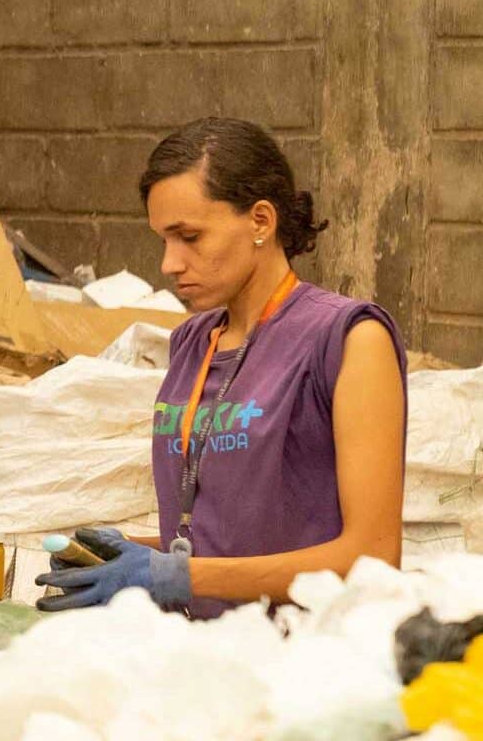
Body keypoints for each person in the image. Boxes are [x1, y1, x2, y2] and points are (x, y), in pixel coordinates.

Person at [37, 117, 406, 619]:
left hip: (306, 666)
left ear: (260, 221)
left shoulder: (349, 340)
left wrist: (176, 575)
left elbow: (372, 558)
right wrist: (129, 552)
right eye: (163, 240)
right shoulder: (191, 343)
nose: (170, 263)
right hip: (204, 661)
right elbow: (222, 535)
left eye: (190, 236)